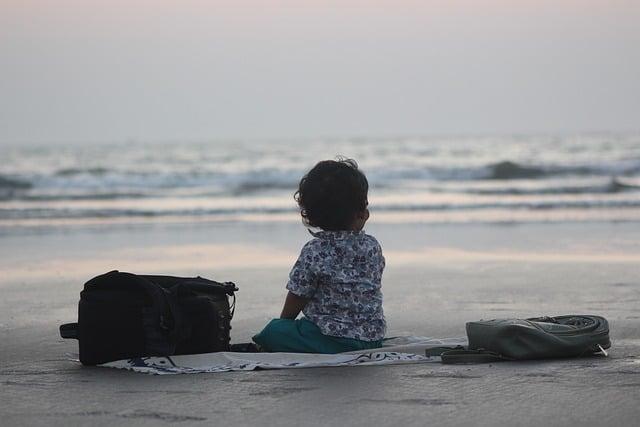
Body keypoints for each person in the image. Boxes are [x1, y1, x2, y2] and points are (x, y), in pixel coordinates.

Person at [251, 158, 386, 353]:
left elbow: (298, 294)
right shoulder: (372, 245)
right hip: (372, 337)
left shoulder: (315, 251)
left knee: (273, 331)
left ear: (311, 214)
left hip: (331, 340)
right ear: (360, 213)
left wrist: (285, 323)